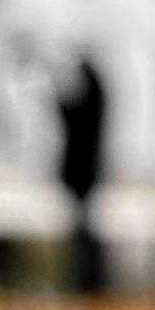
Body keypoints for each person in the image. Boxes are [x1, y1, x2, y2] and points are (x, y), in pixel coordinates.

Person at [55, 53, 107, 293]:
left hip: (81, 172)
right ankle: (89, 281)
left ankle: (89, 281)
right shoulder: (97, 105)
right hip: (85, 172)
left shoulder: (90, 107)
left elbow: (68, 114)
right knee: (84, 227)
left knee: (83, 230)